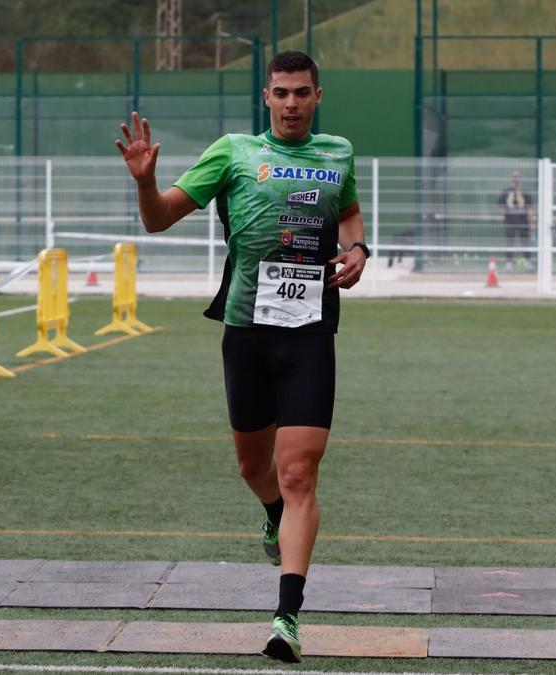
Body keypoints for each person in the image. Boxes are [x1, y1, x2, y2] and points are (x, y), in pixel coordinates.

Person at [114, 51, 367, 663]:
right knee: (256, 470)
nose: (291, 104)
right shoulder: (232, 152)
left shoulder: (338, 154)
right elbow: (158, 221)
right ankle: (273, 513)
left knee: (300, 471)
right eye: (281, 93)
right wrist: (147, 181)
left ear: (317, 96)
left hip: (310, 333)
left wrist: (359, 249)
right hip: (247, 332)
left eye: (302, 93)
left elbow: (350, 214)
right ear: (266, 96)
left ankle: (287, 617)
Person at [498, 170, 535, 268]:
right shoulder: (506, 191)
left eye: (518, 176)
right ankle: (509, 262)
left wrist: (531, 222)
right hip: (510, 221)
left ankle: (528, 261)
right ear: (511, 178)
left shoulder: (525, 192)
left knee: (525, 242)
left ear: (520, 178)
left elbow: (529, 208)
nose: (516, 178)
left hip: (523, 221)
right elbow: (502, 207)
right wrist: (505, 215)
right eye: (514, 176)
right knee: (510, 242)